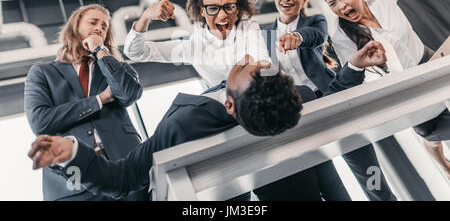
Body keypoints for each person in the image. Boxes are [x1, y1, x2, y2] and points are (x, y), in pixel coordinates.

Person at [28, 41, 387, 201]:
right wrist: (354, 67)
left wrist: (72, 151)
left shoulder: (183, 128)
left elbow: (122, 178)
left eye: (251, 72)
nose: (258, 63)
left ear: (230, 106)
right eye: (266, 69)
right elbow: (329, 101)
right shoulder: (291, 98)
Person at [320, 0, 450, 178]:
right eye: (333, 4)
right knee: (428, 129)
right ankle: (439, 157)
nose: (342, 6)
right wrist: (368, 66)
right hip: (403, 86)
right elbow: (356, 76)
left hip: (428, 59)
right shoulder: (341, 36)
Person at [265, 0, 396, 201]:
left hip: (331, 99)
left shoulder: (315, 21)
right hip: (300, 115)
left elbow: (315, 35)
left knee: (370, 175)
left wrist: (298, 37)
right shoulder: (265, 37)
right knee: (328, 185)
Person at [24, 4, 148, 201]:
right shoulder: (42, 72)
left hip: (127, 170)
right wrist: (100, 99)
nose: (99, 28)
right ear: (75, 27)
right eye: (93, 22)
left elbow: (128, 94)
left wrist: (100, 49)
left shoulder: (115, 67)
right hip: (72, 183)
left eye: (104, 26)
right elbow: (40, 121)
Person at [124, 0, 270, 88]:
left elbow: (261, 57)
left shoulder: (248, 28)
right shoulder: (195, 48)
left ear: (237, 8)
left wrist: (260, 66)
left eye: (229, 7)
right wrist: (145, 17)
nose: (222, 15)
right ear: (202, 11)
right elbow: (135, 52)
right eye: (213, 8)